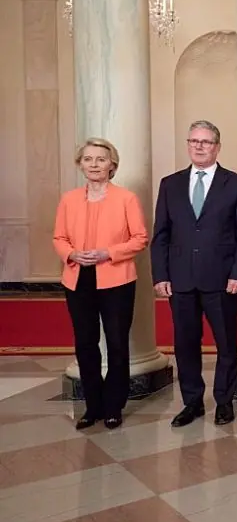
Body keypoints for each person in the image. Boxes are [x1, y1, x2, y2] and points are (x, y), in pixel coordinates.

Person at [152, 120, 237, 427]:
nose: (198, 146)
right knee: (185, 344)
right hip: (180, 279)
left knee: (225, 343)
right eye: (193, 141)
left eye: (206, 142)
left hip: (223, 280)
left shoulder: (236, 184)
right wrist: (160, 275)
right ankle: (192, 402)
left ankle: (224, 401)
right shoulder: (169, 184)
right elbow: (161, 234)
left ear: (217, 147)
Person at [53, 138, 148, 430]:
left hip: (116, 278)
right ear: (80, 164)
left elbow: (140, 238)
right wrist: (71, 254)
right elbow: (59, 238)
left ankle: (113, 406)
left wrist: (109, 252)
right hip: (78, 277)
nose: (94, 165)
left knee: (117, 344)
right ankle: (92, 406)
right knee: (85, 343)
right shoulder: (68, 199)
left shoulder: (126, 198)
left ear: (112, 165)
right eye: (88, 159)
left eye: (101, 159)